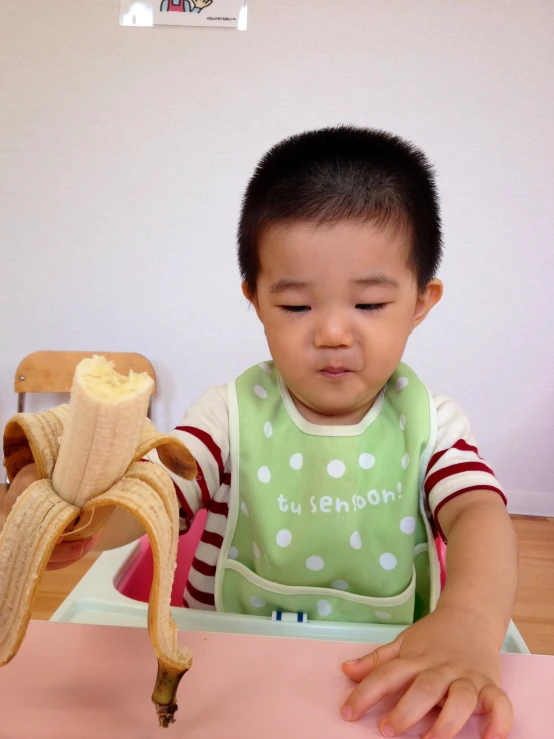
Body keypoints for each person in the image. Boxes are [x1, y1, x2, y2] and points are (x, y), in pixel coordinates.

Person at [4, 126, 518, 739]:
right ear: (254, 299)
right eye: (296, 306)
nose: (331, 332)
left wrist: (470, 621)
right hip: (227, 674)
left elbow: (478, 514)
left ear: (420, 302)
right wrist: (79, 518)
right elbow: (155, 500)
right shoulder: (228, 413)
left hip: (384, 671)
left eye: (370, 305)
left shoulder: (433, 425)